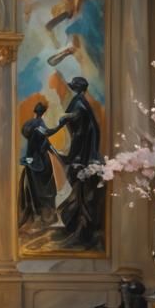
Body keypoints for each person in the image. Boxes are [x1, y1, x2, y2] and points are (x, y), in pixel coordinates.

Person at [54, 76, 106, 251]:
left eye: (73, 87)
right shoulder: (80, 101)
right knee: (78, 191)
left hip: (81, 156)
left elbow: (80, 129)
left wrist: (71, 156)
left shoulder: (79, 104)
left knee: (80, 193)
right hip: (82, 156)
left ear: (77, 88)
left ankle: (80, 231)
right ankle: (77, 228)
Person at [18, 101, 59, 228]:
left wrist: (28, 160)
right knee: (45, 189)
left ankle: (42, 216)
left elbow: (38, 145)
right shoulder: (39, 125)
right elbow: (46, 139)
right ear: (43, 112)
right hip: (42, 162)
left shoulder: (32, 125)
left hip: (35, 162)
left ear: (35, 112)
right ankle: (45, 217)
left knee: (37, 189)